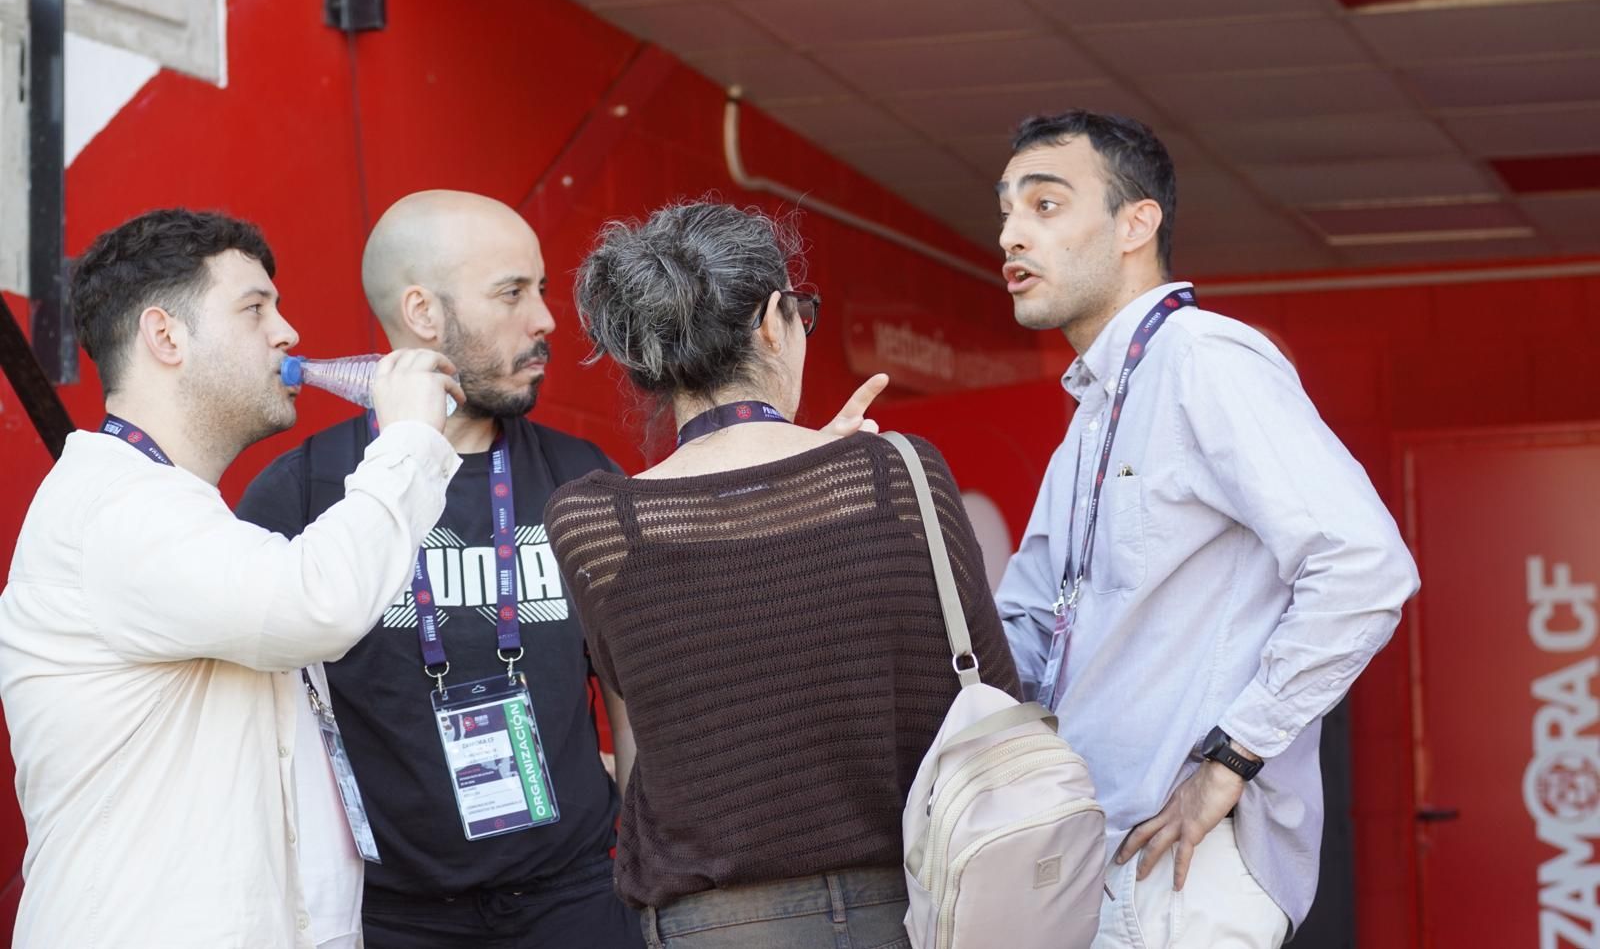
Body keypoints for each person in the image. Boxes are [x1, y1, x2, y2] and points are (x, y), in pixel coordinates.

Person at [991, 110, 1421, 948]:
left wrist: (1231, 760)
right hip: (1094, 857)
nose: (1010, 234)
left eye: (1044, 206)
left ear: (1135, 223)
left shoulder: (1204, 359)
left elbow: (1367, 568)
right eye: (1005, 210)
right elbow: (1026, 631)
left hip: (1188, 869)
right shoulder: (1093, 412)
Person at [543, 201, 1021, 949]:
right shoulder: (901, 472)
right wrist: (835, 478)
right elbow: (993, 689)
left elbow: (662, 719)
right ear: (774, 320)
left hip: (717, 922)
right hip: (913, 903)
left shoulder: (596, 522)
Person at [0, 208, 462, 948]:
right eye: (255, 309)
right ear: (165, 337)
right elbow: (318, 602)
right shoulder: (114, 510)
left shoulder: (176, 515)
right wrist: (407, 436)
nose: (289, 335)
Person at [235, 190, 646, 948]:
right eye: (512, 293)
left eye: (542, 291)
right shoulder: (302, 493)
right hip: (391, 917)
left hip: (580, 902)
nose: (546, 320)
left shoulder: (584, 479)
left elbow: (634, 694)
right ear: (423, 313)